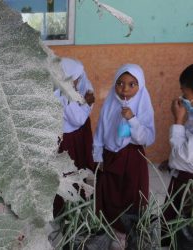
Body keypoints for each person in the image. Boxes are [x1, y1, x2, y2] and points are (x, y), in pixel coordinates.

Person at [93, 64, 155, 249]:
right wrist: (97, 156)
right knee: (108, 197)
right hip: (110, 157)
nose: (124, 89)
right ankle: (110, 234)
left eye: (131, 84)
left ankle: (130, 237)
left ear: (140, 86)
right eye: (120, 83)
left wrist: (132, 119)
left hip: (132, 160)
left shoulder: (143, 104)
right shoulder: (110, 102)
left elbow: (147, 138)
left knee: (131, 198)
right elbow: (100, 132)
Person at [53, 58, 95, 217]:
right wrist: (87, 104)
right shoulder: (63, 96)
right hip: (69, 139)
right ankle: (69, 208)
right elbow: (78, 119)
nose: (79, 82)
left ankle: (72, 204)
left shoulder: (61, 89)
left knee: (71, 170)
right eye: (75, 79)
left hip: (68, 136)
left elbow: (87, 85)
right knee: (71, 170)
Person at [161, 64, 193, 247]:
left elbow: (184, 156)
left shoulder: (185, 117)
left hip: (188, 188)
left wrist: (178, 121)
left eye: (186, 95)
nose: (182, 99)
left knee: (183, 234)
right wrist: (172, 161)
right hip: (182, 180)